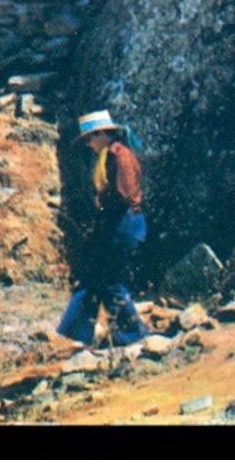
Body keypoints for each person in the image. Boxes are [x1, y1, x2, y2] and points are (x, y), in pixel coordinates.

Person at [56, 109, 150, 349]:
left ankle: (132, 335)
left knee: (110, 279)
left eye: (90, 138)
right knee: (93, 276)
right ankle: (76, 333)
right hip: (115, 223)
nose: (88, 144)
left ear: (103, 134)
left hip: (123, 223)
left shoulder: (121, 157)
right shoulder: (108, 156)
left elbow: (126, 195)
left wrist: (105, 215)